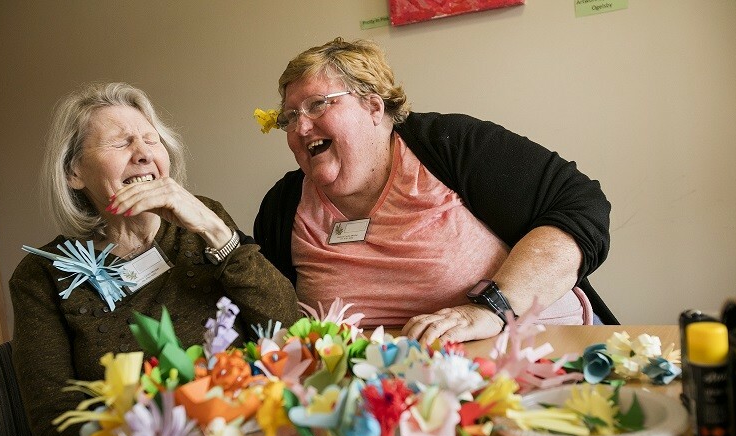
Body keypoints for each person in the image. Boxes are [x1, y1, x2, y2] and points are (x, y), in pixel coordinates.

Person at [254, 37, 617, 346]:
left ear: (373, 106)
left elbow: (581, 206)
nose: (300, 127)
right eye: (288, 118)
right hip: (384, 393)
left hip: (541, 354)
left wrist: (493, 308)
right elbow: (273, 317)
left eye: (317, 104)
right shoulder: (282, 208)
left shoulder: (450, 146)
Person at [11, 82, 300, 436]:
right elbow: (56, 427)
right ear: (74, 172)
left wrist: (216, 230)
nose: (144, 154)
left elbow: (287, 331)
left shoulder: (202, 221)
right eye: (121, 143)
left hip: (252, 432)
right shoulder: (41, 276)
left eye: (152, 140)